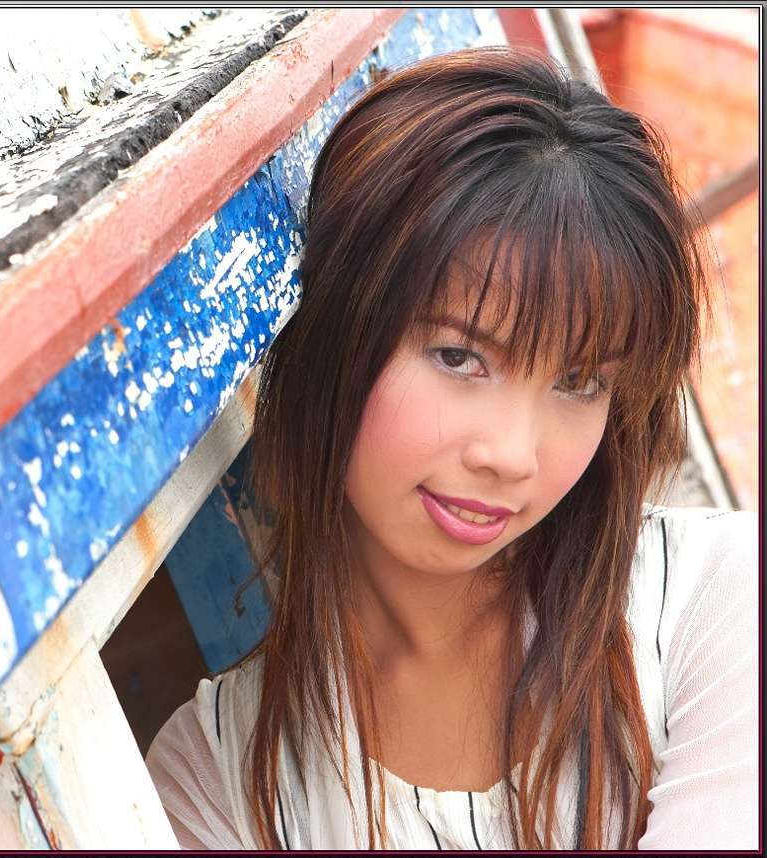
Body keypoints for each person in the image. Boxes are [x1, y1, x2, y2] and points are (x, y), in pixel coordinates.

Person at [144, 45, 757, 850]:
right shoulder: (222, 776)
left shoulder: (716, 602)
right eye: (459, 356)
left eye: (579, 381)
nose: (512, 454)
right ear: (334, 334)